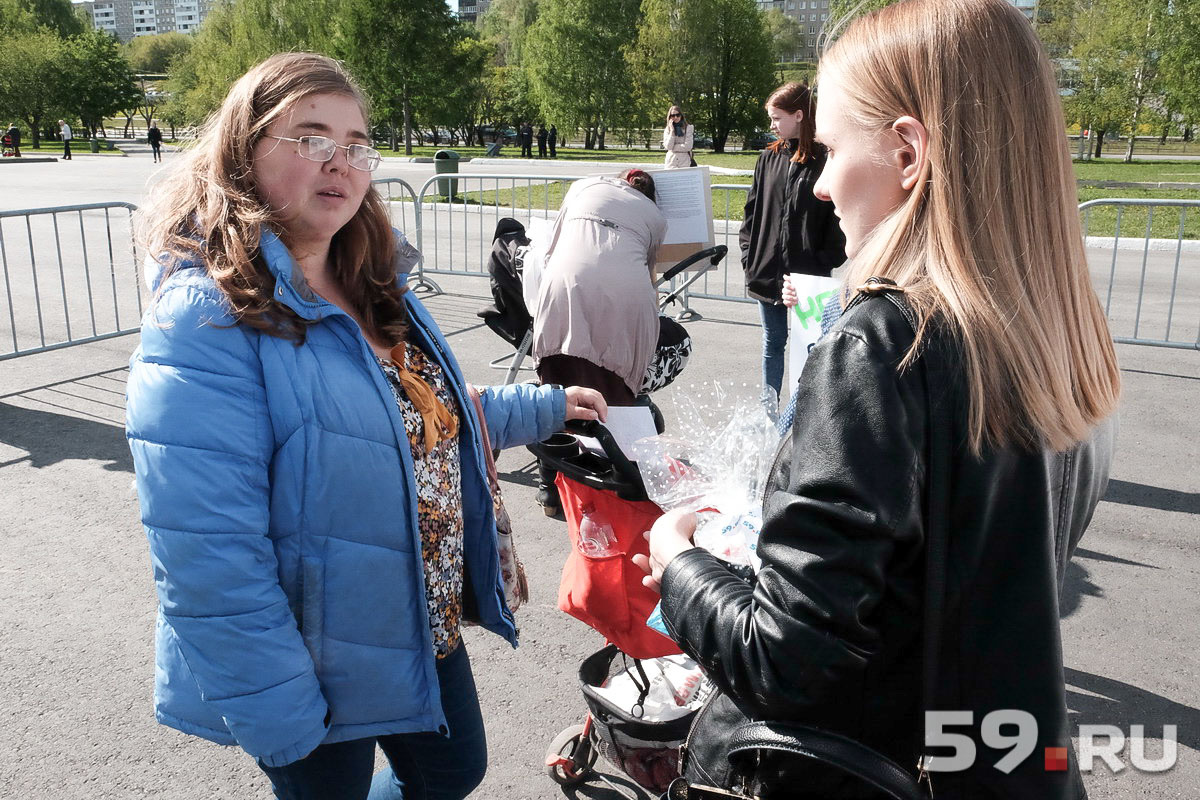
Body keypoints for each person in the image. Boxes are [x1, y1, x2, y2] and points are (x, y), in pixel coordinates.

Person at [635, 1, 1120, 798]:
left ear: (907, 151)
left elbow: (785, 660)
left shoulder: (889, 340)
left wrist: (676, 561)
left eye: (829, 149)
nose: (820, 184)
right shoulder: (1050, 330)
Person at [125, 52, 606, 800]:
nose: (340, 162)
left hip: (413, 616)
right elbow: (207, 554)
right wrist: (279, 704)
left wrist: (547, 406)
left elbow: (412, 413)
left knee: (454, 770)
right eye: (312, 137)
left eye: (356, 145)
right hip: (309, 655)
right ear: (244, 150)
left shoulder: (373, 281)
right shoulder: (208, 317)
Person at [532, 168, 667, 514]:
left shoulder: (582, 186)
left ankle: (553, 489)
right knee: (615, 395)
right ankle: (611, 493)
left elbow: (551, 251)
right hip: (625, 303)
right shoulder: (654, 216)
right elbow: (649, 273)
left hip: (565, 289)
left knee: (556, 392)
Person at [740, 82, 846, 410]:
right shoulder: (767, 159)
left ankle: (805, 415)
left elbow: (835, 220)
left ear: (799, 115)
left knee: (812, 349)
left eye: (776, 117)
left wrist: (822, 262)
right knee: (773, 345)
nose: (771, 125)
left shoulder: (823, 160)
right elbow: (751, 213)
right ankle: (769, 416)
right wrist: (750, 257)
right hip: (768, 275)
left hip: (809, 280)